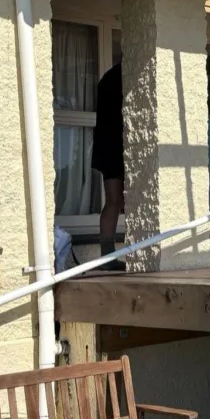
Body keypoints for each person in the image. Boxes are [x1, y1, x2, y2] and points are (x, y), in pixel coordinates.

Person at [91, 63, 125, 267]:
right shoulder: (125, 75)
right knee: (122, 200)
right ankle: (110, 258)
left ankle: (107, 257)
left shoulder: (107, 78)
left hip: (107, 146)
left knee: (113, 201)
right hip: (118, 146)